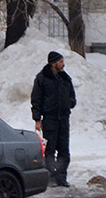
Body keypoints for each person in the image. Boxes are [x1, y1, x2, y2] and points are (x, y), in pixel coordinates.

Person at [31, 50, 76, 187]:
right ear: (53, 63)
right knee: (50, 150)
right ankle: (50, 177)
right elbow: (36, 100)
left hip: (63, 119)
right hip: (50, 119)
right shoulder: (42, 78)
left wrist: (69, 103)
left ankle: (61, 177)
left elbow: (72, 97)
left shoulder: (65, 78)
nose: (63, 64)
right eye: (61, 61)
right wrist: (37, 119)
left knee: (64, 150)